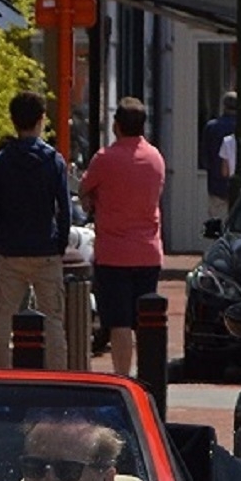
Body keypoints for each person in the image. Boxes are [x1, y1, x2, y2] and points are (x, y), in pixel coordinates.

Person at [0, 91, 74, 370]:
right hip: (45, 249)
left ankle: (1, 375)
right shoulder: (53, 161)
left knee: (3, 322)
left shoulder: (0, 162)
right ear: (41, 119)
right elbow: (64, 209)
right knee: (54, 319)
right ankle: (57, 377)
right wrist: (60, 244)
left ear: (13, 120)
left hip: (10, 251)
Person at [79, 97, 168, 379]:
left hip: (113, 252)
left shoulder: (104, 159)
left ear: (116, 126)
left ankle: (122, 376)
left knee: (119, 322)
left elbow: (84, 192)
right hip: (147, 251)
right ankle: (148, 377)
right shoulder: (155, 158)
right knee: (146, 320)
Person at [199, 92, 239, 204]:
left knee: (218, 218)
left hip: (216, 185)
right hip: (240, 188)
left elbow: (204, 158)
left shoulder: (211, 127)